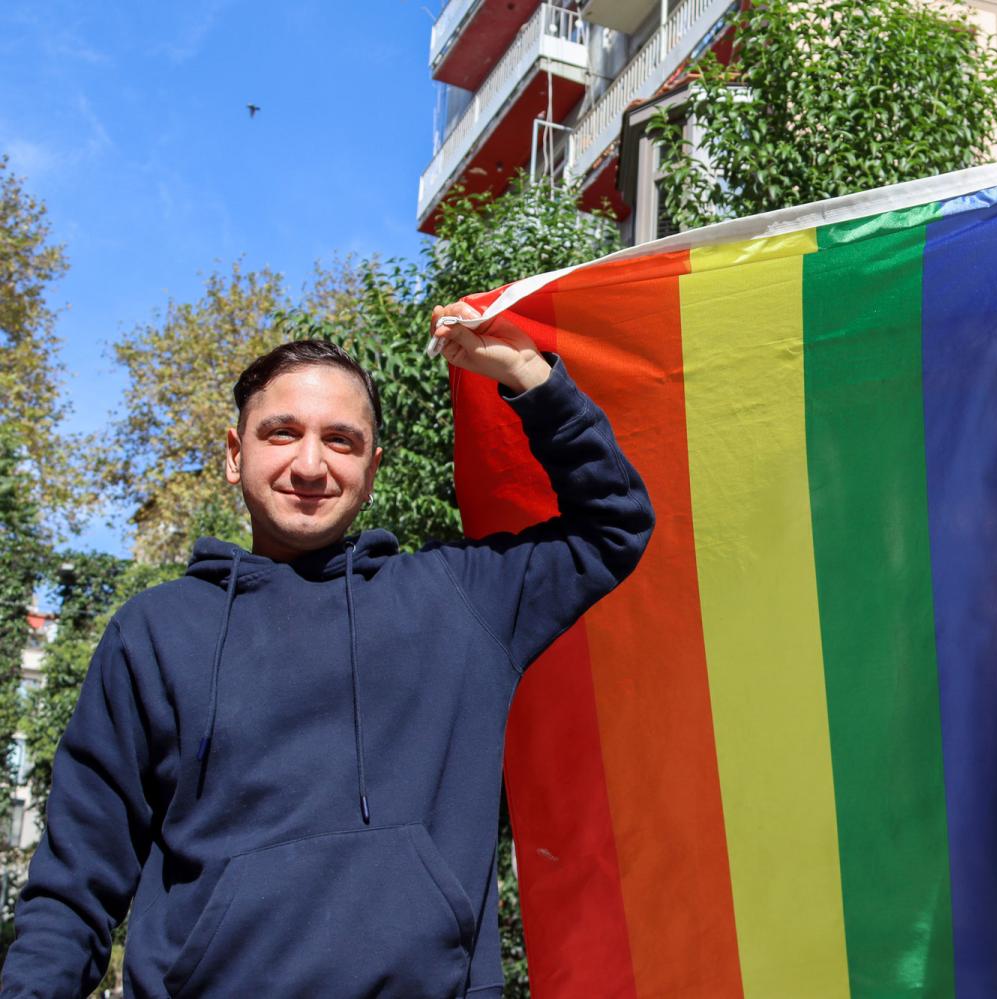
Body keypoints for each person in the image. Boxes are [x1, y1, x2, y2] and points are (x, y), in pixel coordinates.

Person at [1, 304, 654, 997]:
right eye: (282, 432)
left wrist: (529, 376)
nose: (309, 463)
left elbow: (613, 525)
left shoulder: (461, 601)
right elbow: (76, 885)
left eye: (340, 441)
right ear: (234, 453)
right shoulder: (154, 633)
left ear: (371, 468)